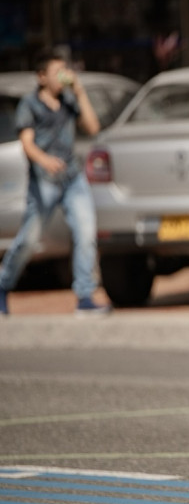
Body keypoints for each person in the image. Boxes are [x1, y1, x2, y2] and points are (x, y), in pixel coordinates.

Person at [0, 48, 110, 316]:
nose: (63, 77)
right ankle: (2, 285)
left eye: (65, 71)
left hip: (73, 179)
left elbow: (93, 128)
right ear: (41, 76)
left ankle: (84, 296)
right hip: (43, 183)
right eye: (57, 72)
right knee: (29, 240)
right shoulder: (30, 104)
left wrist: (81, 92)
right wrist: (44, 160)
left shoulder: (69, 101)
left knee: (85, 235)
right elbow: (26, 143)